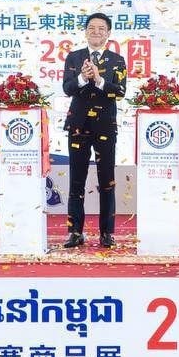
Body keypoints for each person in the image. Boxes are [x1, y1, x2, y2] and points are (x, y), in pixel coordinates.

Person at [62, 12, 127, 248]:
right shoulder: (74, 57)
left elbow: (120, 92)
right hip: (78, 125)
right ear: (86, 31)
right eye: (92, 28)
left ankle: (106, 232)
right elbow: (67, 88)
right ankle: (75, 232)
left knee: (106, 180)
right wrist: (82, 77)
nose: (96, 32)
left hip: (105, 126)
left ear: (108, 33)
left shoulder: (117, 60)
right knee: (76, 180)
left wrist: (99, 80)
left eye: (101, 28)